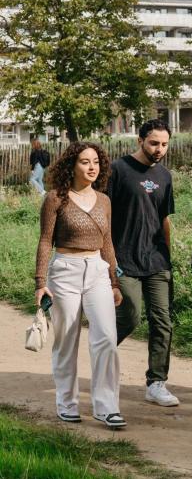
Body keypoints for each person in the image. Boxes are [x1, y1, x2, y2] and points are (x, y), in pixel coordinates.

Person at [35, 142, 125, 428]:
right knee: (66, 339)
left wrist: (114, 281)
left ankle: (106, 406)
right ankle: (67, 403)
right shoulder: (55, 198)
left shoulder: (104, 201)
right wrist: (40, 283)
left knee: (107, 338)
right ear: (72, 166)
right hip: (64, 271)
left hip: (97, 270)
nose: (92, 167)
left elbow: (108, 242)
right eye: (85, 162)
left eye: (96, 162)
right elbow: (45, 241)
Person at [108, 118, 178, 407]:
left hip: (157, 260)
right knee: (131, 315)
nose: (159, 149)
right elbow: (104, 215)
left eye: (164, 144)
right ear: (140, 141)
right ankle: (102, 350)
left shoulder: (165, 176)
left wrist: (168, 258)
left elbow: (164, 219)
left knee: (163, 321)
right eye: (153, 143)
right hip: (124, 259)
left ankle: (156, 382)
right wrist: (108, 259)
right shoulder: (118, 170)